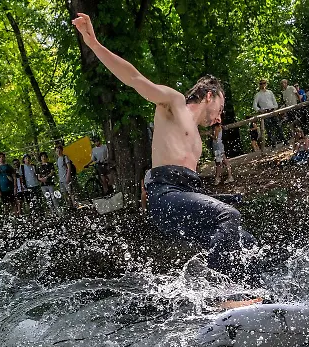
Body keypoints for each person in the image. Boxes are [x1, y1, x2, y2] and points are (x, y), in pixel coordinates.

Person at [72, 13, 258, 305]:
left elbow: (190, 186)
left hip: (183, 195)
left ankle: (254, 298)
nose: (220, 116)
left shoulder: (197, 138)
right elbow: (134, 78)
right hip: (165, 196)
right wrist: (93, 44)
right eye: (221, 106)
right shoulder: (173, 104)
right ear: (209, 95)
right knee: (228, 216)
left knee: (246, 241)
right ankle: (221, 296)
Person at [254, 79, 285, 147]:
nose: (263, 85)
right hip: (265, 112)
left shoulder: (270, 92)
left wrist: (275, 108)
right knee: (269, 129)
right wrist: (260, 110)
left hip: (272, 111)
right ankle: (273, 143)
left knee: (278, 126)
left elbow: (274, 101)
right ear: (259, 85)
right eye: (261, 83)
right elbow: (254, 106)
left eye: (264, 83)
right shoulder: (258, 95)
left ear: (266, 84)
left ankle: (284, 140)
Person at [55, 142, 79, 209]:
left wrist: (68, 177)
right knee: (65, 193)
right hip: (61, 179)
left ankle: (75, 204)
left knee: (70, 191)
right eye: (57, 151)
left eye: (59, 151)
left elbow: (69, 167)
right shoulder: (57, 159)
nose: (58, 152)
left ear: (62, 151)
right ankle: (69, 205)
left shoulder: (65, 157)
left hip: (66, 178)